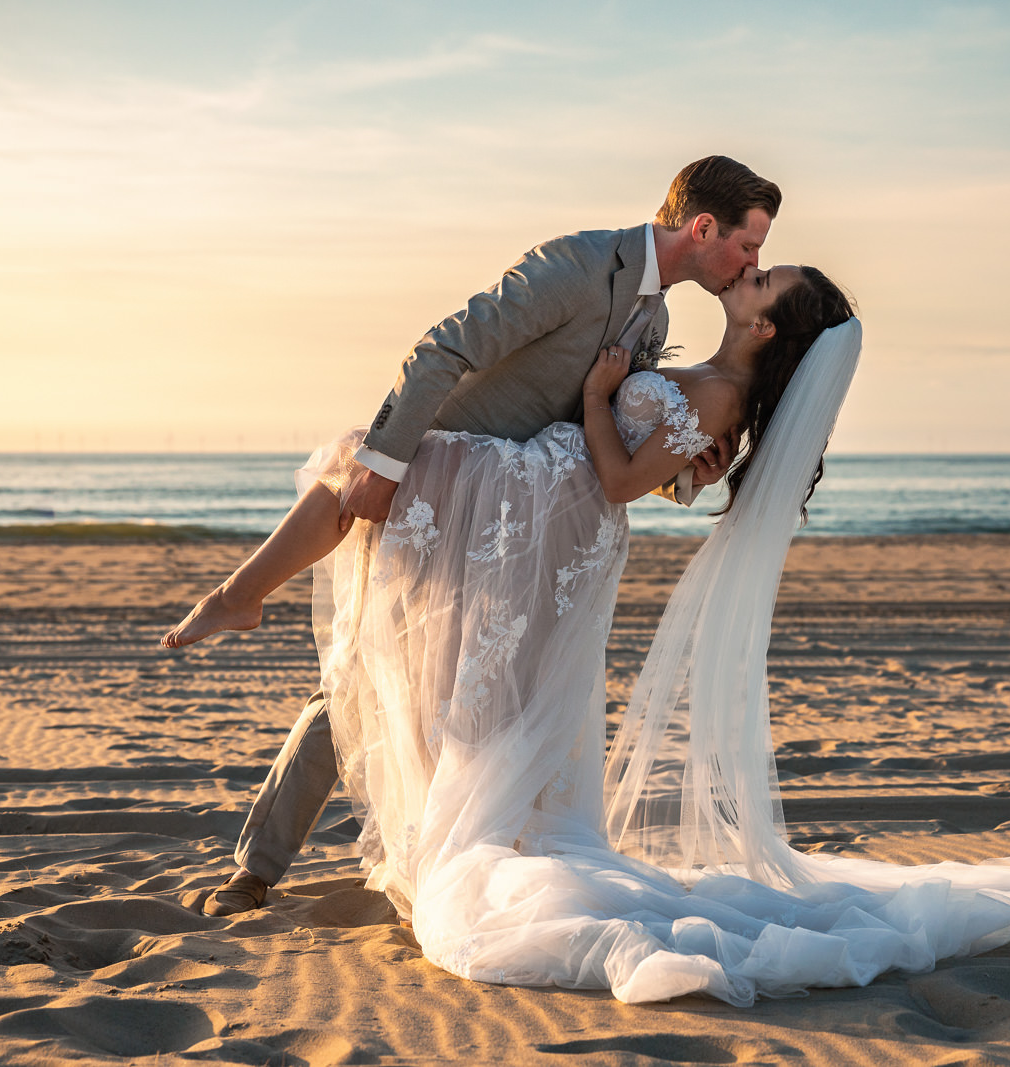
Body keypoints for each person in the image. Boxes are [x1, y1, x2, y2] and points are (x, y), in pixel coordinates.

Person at [170, 261, 1010, 1006]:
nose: (742, 282)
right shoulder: (704, 375)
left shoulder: (720, 397)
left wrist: (593, 402)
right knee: (429, 680)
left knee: (436, 689)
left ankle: (254, 640)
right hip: (535, 532)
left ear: (766, 329)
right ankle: (262, 677)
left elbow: (627, 480)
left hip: (557, 530)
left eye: (758, 284)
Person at [164, 155, 780, 917]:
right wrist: (390, 465)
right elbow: (444, 349)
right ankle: (255, 864)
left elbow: (598, 435)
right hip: (448, 488)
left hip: (522, 528)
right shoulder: (581, 263)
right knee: (362, 676)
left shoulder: (653, 319)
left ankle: (464, 857)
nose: (753, 262)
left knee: (461, 700)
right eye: (749, 246)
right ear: (704, 227)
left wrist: (683, 475)